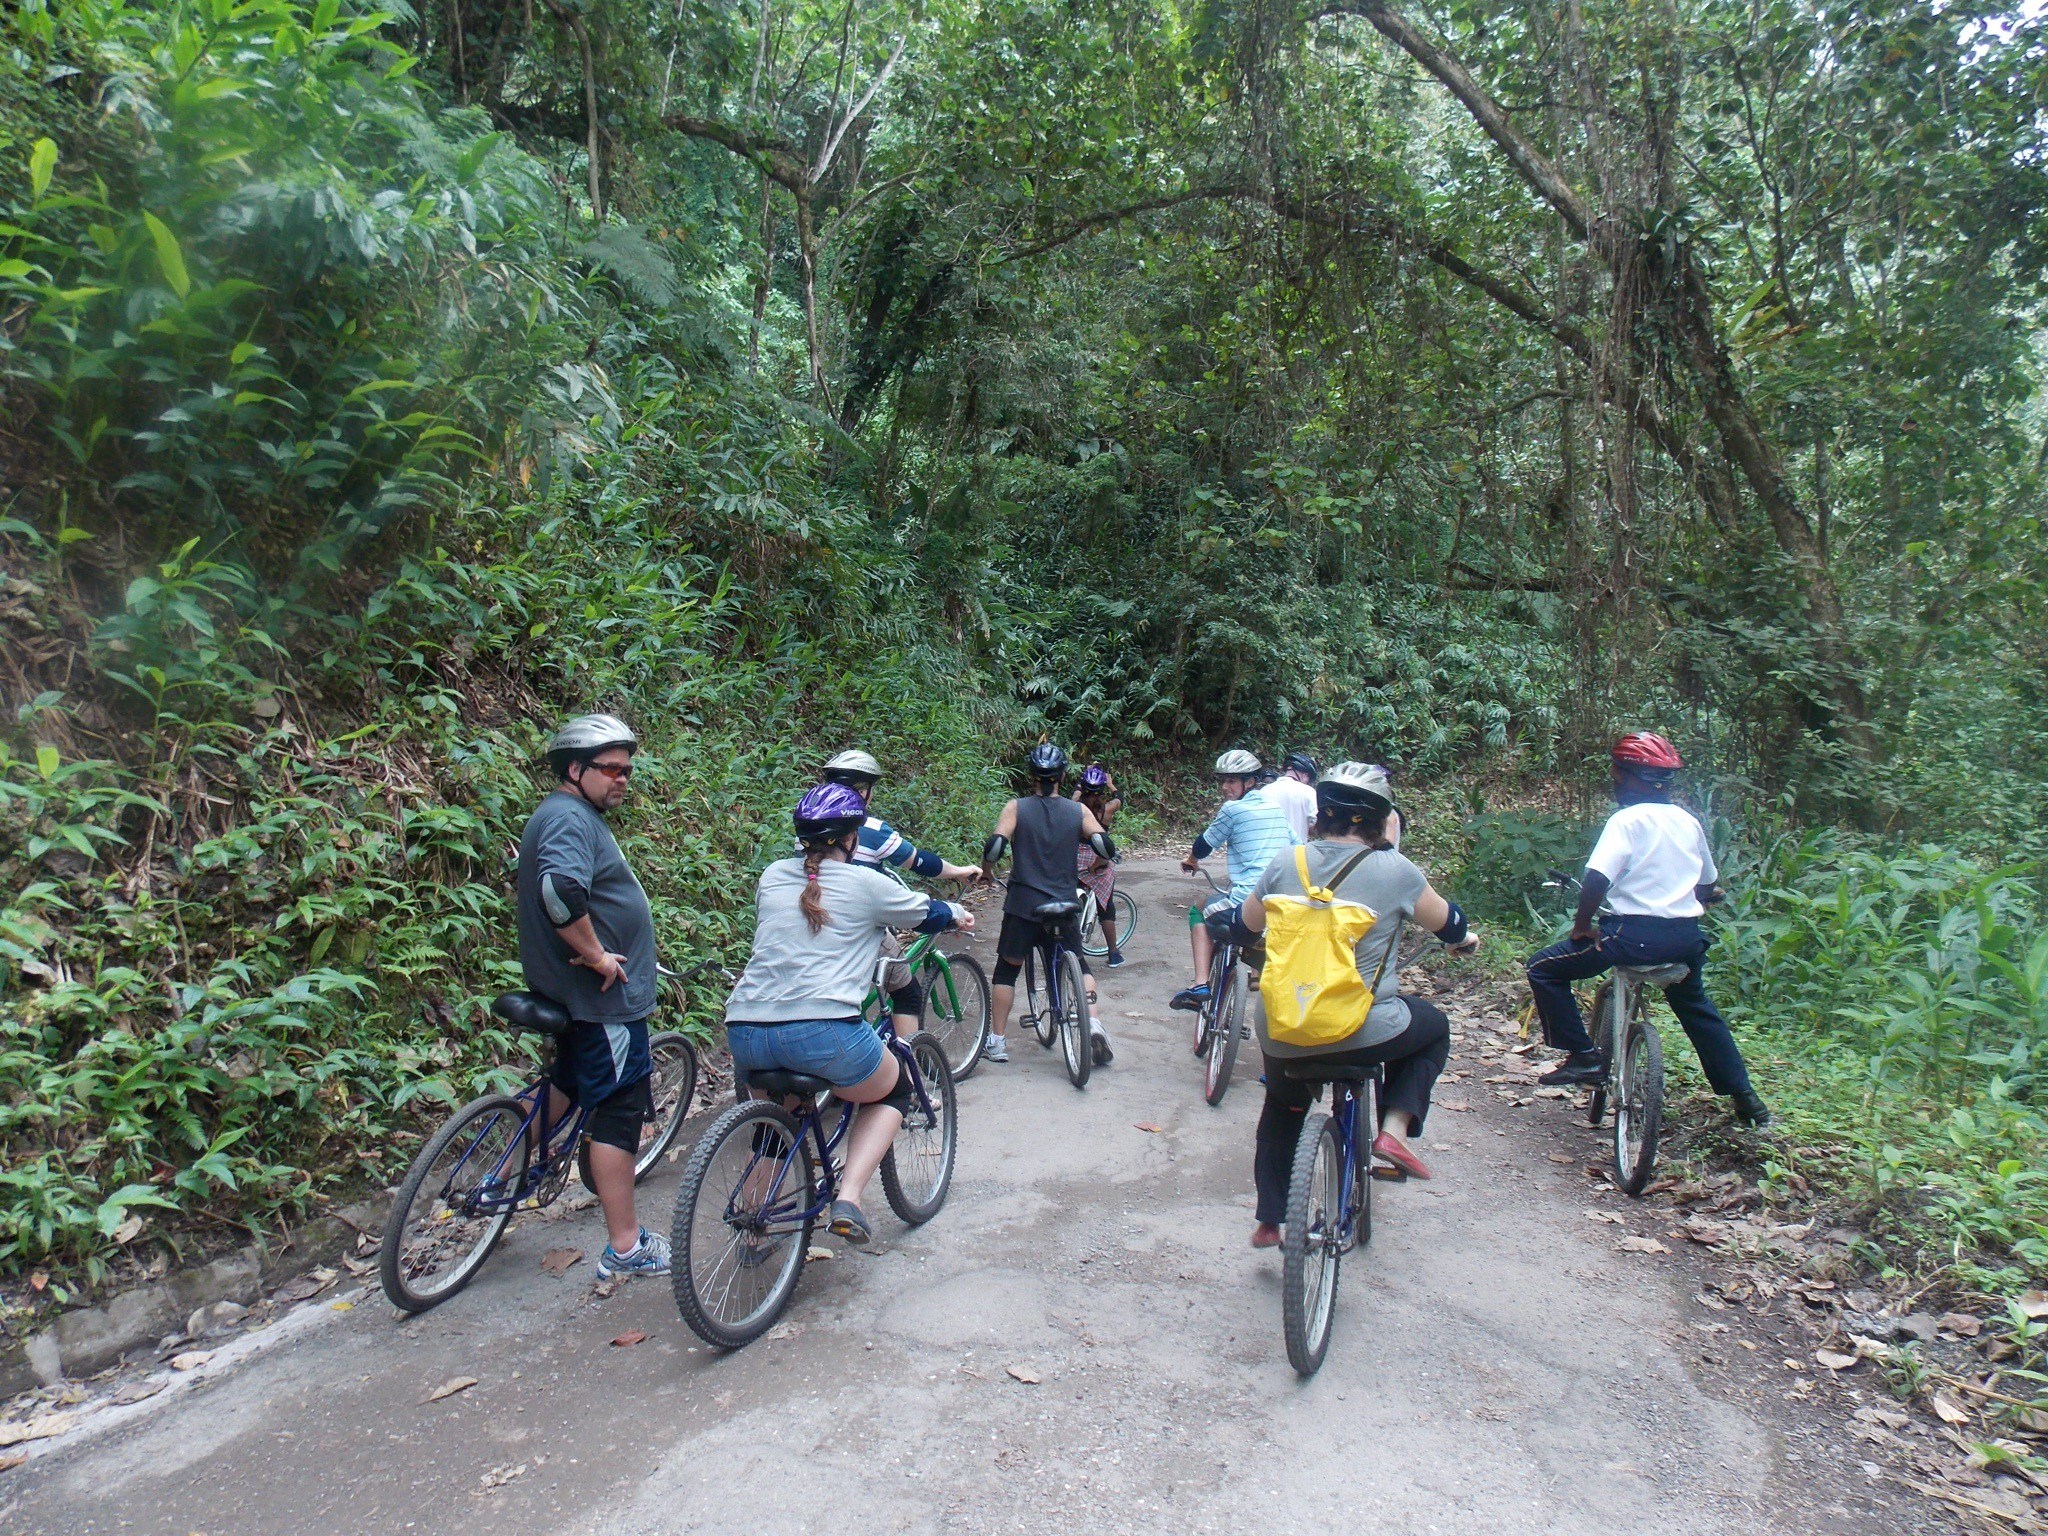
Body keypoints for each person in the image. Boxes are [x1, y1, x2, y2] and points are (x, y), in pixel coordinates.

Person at [1238, 762, 1479, 1247]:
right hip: (1362, 1028)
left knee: (1282, 1104)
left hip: (1283, 1026)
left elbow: (1245, 926)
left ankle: (1269, 1219)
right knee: (1432, 1027)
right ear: (1378, 820)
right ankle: (1392, 1129)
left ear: (1321, 814)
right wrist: (1463, 938)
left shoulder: (1288, 862)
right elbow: (1450, 924)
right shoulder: (1396, 871)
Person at [723, 783, 975, 1243]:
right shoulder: (866, 883)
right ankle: (850, 1199)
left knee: (782, 1118)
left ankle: (751, 1224)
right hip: (822, 1033)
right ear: (851, 838)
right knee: (894, 1090)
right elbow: (930, 912)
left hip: (745, 1030)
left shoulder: (772, 877)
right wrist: (958, 914)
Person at [1525, 733, 1770, 1126]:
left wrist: (1582, 926)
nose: (1614, 780)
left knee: (1543, 968)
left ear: (1630, 776)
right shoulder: (1688, 821)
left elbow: (1596, 878)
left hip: (1631, 938)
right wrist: (1705, 896)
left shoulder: (1626, 820)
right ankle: (1747, 1099)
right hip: (1685, 939)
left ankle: (1584, 1057)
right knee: (1698, 1010)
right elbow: (1707, 884)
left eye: (1616, 773)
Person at [516, 713, 668, 1281]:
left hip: (578, 998)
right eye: (611, 769)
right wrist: (601, 954)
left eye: (628, 770)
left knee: (571, 1084)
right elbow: (559, 890)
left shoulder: (569, 816)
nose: (622, 778)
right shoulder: (568, 820)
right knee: (619, 1110)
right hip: (599, 1001)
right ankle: (626, 1247)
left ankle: (503, 1172)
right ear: (575, 769)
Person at [819, 749, 982, 1038]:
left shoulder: (809, 826)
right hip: (857, 923)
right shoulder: (868, 829)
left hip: (814, 918)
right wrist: (958, 871)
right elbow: (920, 862)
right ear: (862, 791)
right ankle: (909, 1068)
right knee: (908, 994)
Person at [979, 743, 1118, 1065]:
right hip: (1064, 903)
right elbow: (1104, 844)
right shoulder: (1078, 811)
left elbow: (996, 846)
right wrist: (1101, 860)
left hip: (1024, 905)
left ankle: (997, 1042)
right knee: (1079, 964)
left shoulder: (1016, 807)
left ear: (1031, 775)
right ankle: (1093, 1023)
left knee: (1007, 969)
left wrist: (987, 872)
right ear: (1063, 776)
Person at [1171, 750, 1297, 1014]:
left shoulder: (1232, 809)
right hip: (1283, 904)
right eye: (1223, 781)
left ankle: (1200, 985)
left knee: (1199, 910)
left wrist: (1192, 860)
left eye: (1232, 781)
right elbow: (1298, 847)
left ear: (1249, 782)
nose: (1225, 788)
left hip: (1246, 903)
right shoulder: (1275, 809)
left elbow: (1204, 845)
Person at [1073, 763, 1126, 967]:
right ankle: (1113, 953)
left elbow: (1074, 794)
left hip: (1075, 860)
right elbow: (1120, 798)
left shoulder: (1074, 806)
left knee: (1070, 897)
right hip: (1099, 857)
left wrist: (1080, 781)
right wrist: (1111, 784)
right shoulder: (1107, 809)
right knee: (1106, 907)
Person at [1267, 751, 1320, 844]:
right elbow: (1315, 826)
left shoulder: (1265, 790)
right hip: (1296, 853)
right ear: (1305, 776)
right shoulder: (1308, 791)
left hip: (1269, 853)